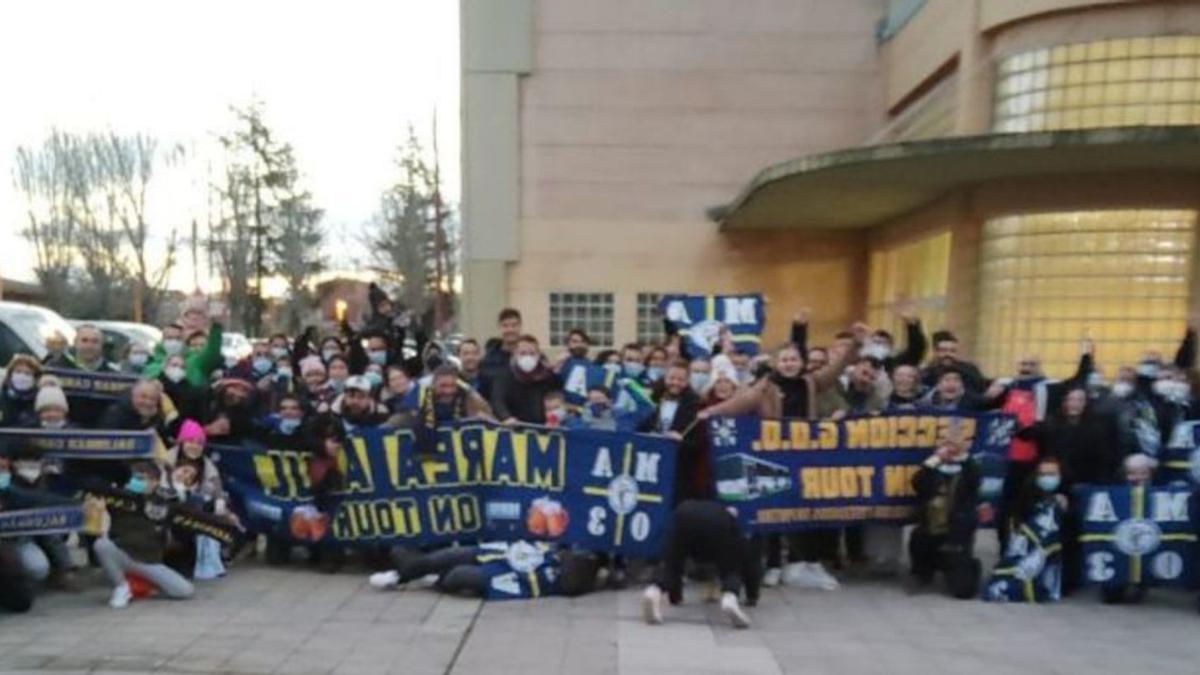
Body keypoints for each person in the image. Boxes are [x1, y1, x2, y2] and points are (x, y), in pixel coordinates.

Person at [701, 327, 862, 590]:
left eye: (794, 360)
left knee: (802, 509)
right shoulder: (766, 386)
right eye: (784, 360)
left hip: (804, 456)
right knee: (773, 508)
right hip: (774, 455)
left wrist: (855, 345)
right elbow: (742, 402)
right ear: (776, 362)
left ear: (802, 362)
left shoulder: (810, 382)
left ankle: (800, 561)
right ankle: (774, 564)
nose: (789, 364)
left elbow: (835, 369)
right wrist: (711, 412)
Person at [86, 461, 195, 608]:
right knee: (102, 545)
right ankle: (121, 587)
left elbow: (189, 513)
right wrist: (97, 507)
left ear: (155, 481)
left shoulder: (165, 500)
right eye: (135, 478)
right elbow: (95, 492)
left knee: (185, 591)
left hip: (149, 561)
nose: (137, 482)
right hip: (124, 554)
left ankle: (143, 585)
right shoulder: (121, 498)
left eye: (142, 478)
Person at [641, 500, 761, 629]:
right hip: (719, 526)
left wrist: (675, 597)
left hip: (683, 517)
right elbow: (749, 564)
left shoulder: (696, 505)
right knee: (731, 569)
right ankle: (729, 597)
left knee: (672, 566)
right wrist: (752, 596)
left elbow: (673, 558)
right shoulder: (733, 523)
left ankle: (654, 590)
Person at [368, 540, 598, 600]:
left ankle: (431, 579)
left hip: (508, 577)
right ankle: (401, 575)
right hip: (502, 553)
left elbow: (571, 582)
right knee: (448, 556)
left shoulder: (584, 571)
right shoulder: (574, 541)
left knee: (458, 575)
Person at [908, 429, 983, 599]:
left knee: (963, 591)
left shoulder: (970, 467)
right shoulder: (933, 466)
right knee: (919, 538)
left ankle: (963, 570)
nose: (950, 446)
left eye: (954, 442)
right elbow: (917, 483)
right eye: (945, 442)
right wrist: (936, 459)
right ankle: (922, 574)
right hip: (931, 527)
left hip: (957, 530)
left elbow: (975, 481)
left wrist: (962, 455)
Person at [983, 455, 1064, 603]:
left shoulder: (1064, 495)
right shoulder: (1027, 492)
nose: (1048, 478)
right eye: (1044, 474)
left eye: (1052, 474)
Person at [639, 360, 706, 501]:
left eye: (680, 379)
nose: (675, 383)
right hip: (654, 465)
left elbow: (699, 444)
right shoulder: (656, 399)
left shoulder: (696, 405)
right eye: (671, 378)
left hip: (680, 469)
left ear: (687, 381)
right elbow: (641, 427)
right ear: (665, 378)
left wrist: (680, 441)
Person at [490, 335, 561, 425]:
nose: (528, 357)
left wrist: (553, 419)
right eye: (523, 353)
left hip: (541, 429)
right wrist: (506, 417)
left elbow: (557, 398)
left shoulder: (547, 376)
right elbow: (497, 401)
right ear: (515, 354)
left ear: (538, 355)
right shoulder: (504, 375)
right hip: (514, 429)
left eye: (532, 354)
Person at [919, 331, 989, 394]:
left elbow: (982, 386)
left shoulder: (969, 369)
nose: (948, 354)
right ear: (935, 352)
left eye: (952, 351)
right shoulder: (926, 373)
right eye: (943, 350)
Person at [479, 308, 523, 401]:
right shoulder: (488, 361)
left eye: (514, 325)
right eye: (505, 326)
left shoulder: (531, 357)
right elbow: (483, 393)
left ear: (520, 327)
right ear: (499, 328)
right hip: (497, 413)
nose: (510, 330)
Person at [1, 355, 42, 428]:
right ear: (10, 375)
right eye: (18, 372)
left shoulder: (40, 399)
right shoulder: (2, 397)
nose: (22, 376)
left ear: (35, 378)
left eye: (27, 373)